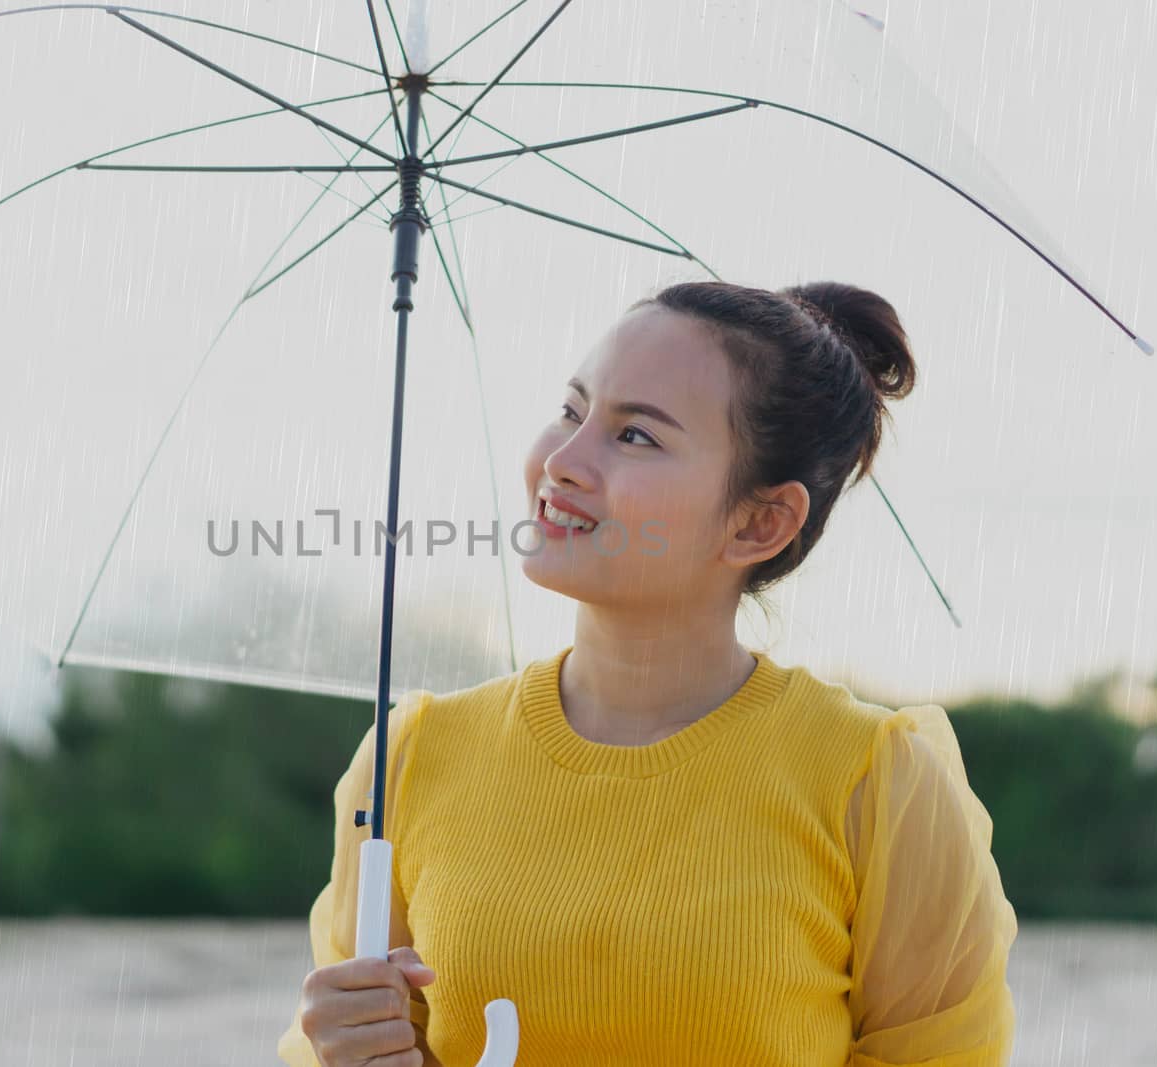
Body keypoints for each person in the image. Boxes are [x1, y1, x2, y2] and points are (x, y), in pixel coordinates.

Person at [277, 280, 1019, 1066]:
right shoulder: (410, 758)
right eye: (572, 410)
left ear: (760, 521)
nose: (561, 462)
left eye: (635, 436)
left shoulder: (877, 783)